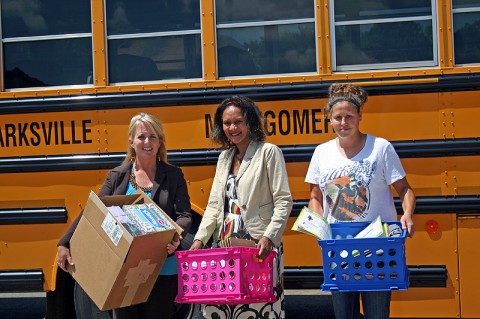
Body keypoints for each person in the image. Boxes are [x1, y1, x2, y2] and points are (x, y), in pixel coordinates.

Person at [56, 112, 192, 319]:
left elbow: (184, 215)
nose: (147, 142)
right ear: (131, 141)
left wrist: (176, 237)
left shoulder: (173, 175)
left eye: (153, 137)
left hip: (162, 268)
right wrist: (64, 242)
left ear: (160, 142)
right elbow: (93, 211)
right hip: (123, 272)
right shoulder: (117, 176)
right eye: (141, 137)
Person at [305, 83, 416, 319]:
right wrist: (317, 224)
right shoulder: (321, 153)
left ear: (360, 117)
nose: (343, 123)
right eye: (337, 118)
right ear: (330, 119)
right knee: (345, 315)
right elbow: (315, 196)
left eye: (349, 117)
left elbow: (404, 188)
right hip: (338, 247)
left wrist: (407, 213)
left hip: (378, 247)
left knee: (376, 313)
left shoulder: (381, 148)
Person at [190, 95, 293, 319]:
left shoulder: (268, 152)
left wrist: (269, 236)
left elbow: (284, 200)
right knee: (224, 306)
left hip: (258, 244)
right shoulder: (224, 158)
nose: (232, 128)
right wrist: (199, 240)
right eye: (227, 123)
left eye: (238, 122)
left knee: (257, 306)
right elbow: (214, 205)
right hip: (226, 243)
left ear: (250, 122)